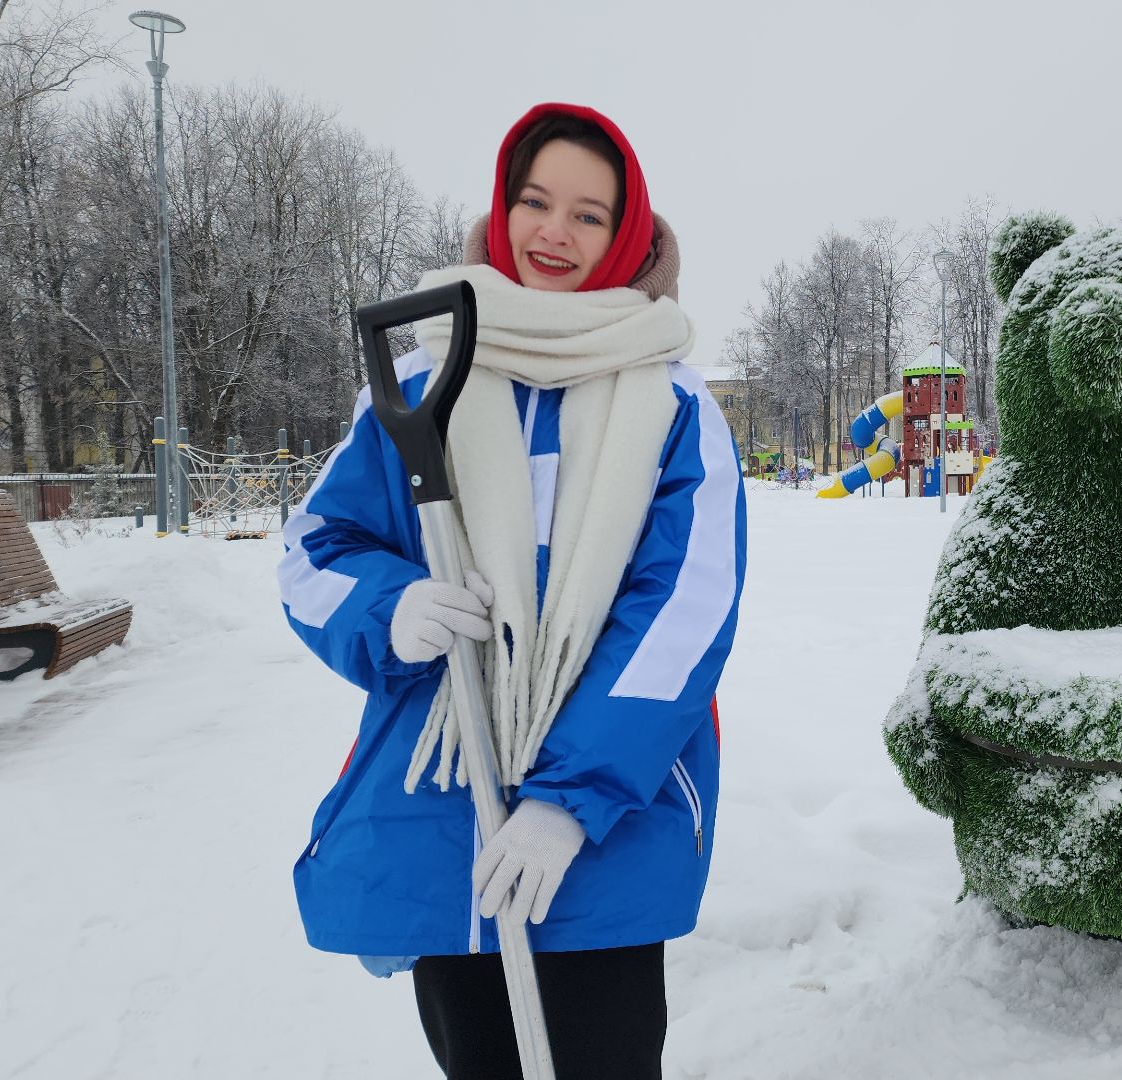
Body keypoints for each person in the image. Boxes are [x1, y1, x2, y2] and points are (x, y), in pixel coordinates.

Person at [278, 102, 745, 1080]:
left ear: (627, 232)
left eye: (588, 213)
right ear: (501, 211)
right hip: (442, 804)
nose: (554, 233)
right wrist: (390, 605)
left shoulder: (672, 404)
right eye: (534, 202)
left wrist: (571, 801)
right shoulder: (414, 386)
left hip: (603, 829)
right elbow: (317, 552)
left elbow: (680, 614)